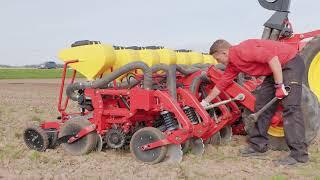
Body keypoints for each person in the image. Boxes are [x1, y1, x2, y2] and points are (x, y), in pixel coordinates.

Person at [201, 39, 308, 166]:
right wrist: (205, 102)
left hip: (290, 63)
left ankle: (299, 156)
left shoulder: (243, 50)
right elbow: (222, 83)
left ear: (224, 53)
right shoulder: (233, 64)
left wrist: (279, 86)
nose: (219, 62)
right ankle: (259, 145)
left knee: (290, 108)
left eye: (218, 59)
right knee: (261, 106)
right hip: (273, 70)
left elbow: (273, 59)